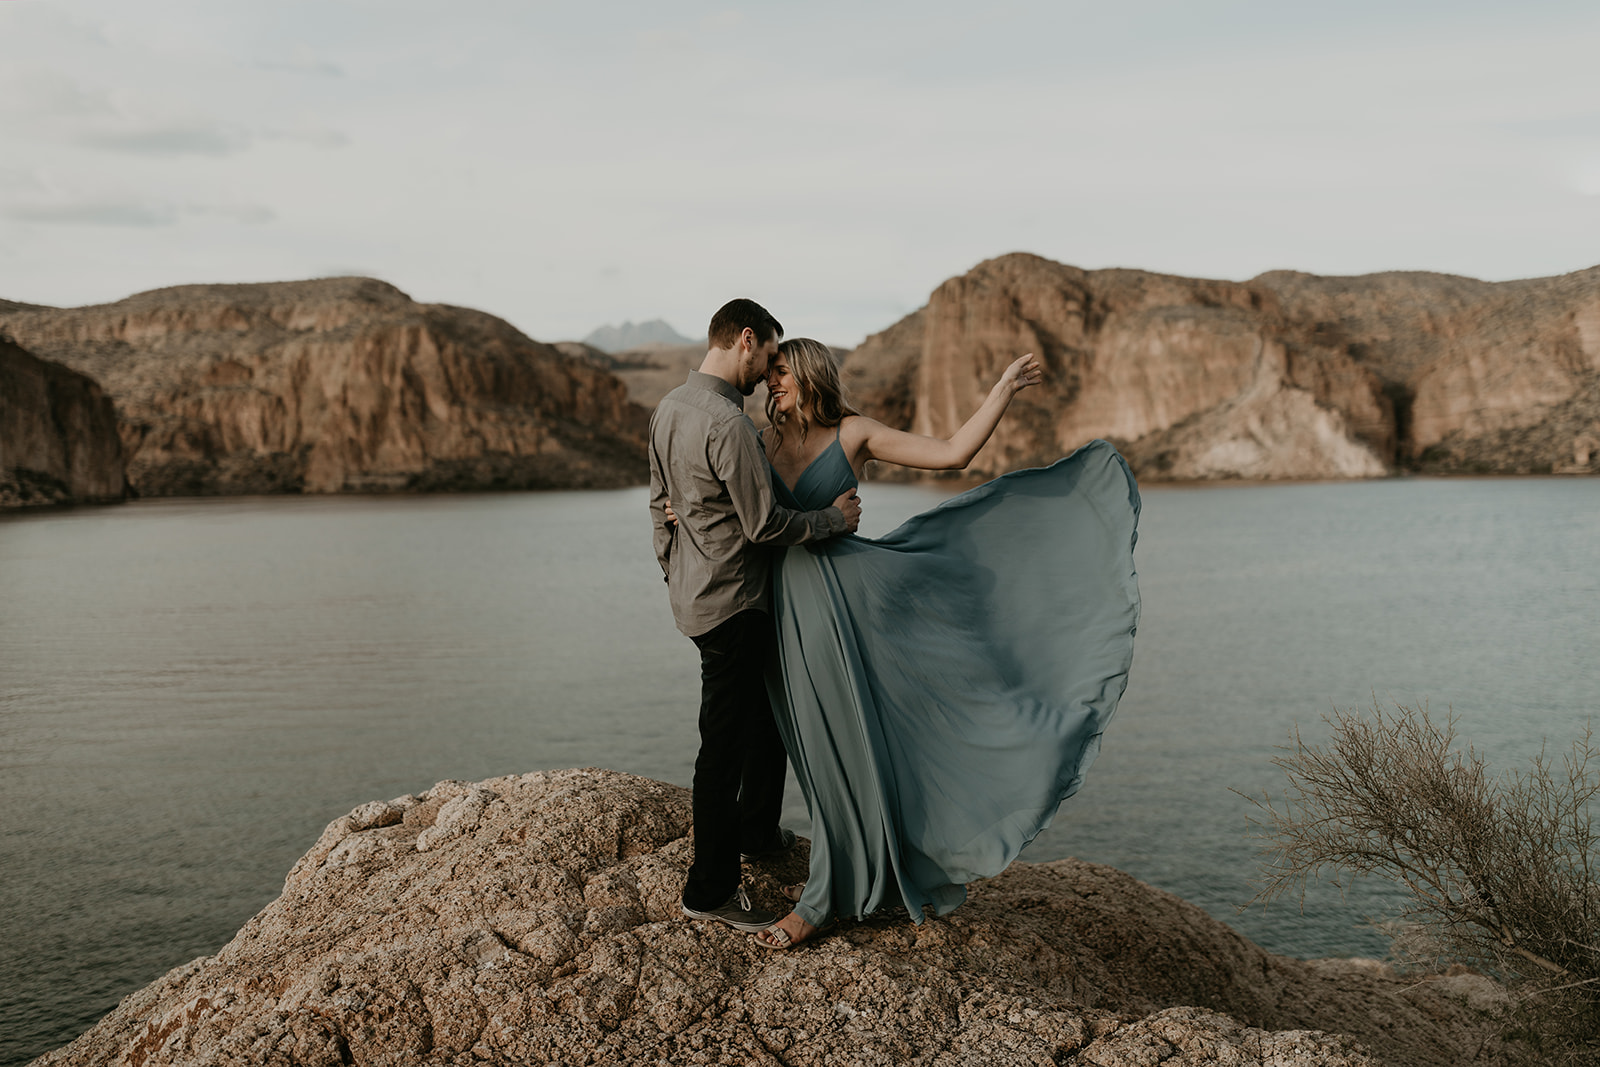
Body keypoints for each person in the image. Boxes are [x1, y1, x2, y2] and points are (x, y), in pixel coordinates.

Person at [749, 337, 1141, 949]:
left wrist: (1002, 390)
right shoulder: (761, 441)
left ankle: (821, 900)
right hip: (784, 607)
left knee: (854, 742)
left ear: (807, 373)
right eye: (768, 372)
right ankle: (854, 876)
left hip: (848, 601)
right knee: (814, 750)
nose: (769, 382)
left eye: (780, 372)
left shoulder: (854, 432)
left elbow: (954, 453)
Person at [648, 302, 862, 934]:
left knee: (765, 719)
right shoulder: (728, 424)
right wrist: (834, 521)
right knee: (723, 748)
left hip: (696, 598)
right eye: (769, 356)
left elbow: (659, 505)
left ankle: (758, 832)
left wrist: (673, 568)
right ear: (746, 340)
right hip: (735, 604)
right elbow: (765, 524)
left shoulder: (668, 409)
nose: (769, 371)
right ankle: (709, 890)